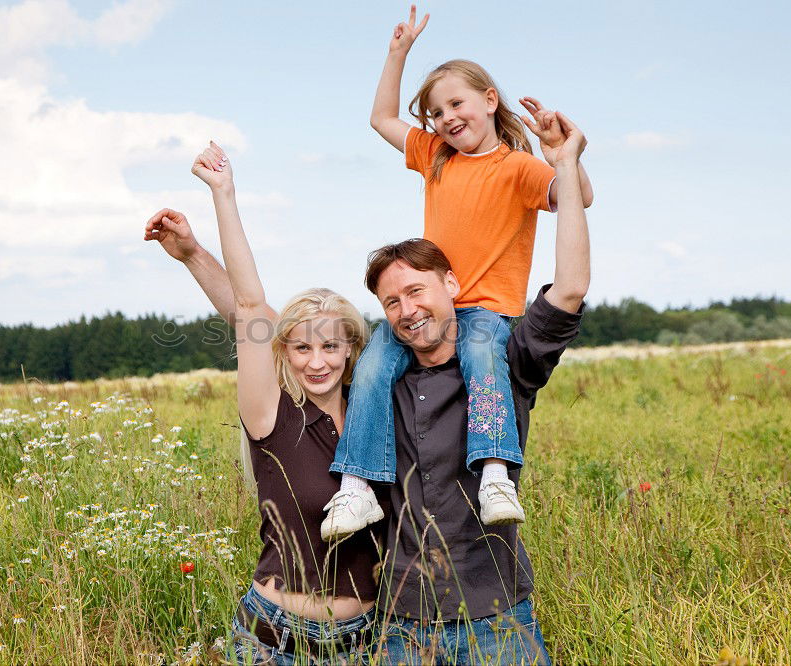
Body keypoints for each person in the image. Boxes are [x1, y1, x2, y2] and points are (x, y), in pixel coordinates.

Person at [323, 6, 594, 540]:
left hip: (486, 307)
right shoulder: (437, 157)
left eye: (456, 104)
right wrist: (397, 51)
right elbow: (381, 119)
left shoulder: (516, 167)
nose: (446, 118)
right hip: (423, 307)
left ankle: (495, 474)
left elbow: (579, 197)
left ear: (489, 100)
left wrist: (564, 157)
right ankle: (357, 487)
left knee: (480, 359)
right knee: (375, 363)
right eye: (435, 112)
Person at [144, 143, 379, 665]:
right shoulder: (272, 415)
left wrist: (191, 254)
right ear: (285, 351)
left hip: (366, 642)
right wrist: (223, 194)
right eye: (301, 347)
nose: (316, 362)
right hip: (274, 637)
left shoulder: (376, 423)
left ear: (352, 350)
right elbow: (249, 309)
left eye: (330, 346)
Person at [371, 110, 590, 664]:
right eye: (392, 301)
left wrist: (563, 161)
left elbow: (569, 288)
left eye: (417, 290)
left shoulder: (507, 361)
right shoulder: (376, 382)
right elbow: (269, 327)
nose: (407, 309)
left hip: (495, 619)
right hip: (400, 625)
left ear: (451, 283)